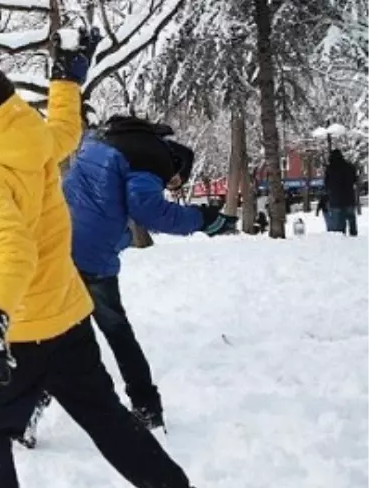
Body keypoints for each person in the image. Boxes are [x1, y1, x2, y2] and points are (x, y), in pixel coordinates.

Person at [0, 27, 239, 488]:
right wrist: (66, 78)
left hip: (22, 328)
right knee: (113, 425)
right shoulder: (29, 139)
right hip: (70, 317)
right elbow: (64, 131)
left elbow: (9, 250)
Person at [21, 116, 234, 437]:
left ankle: (27, 409)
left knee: (58, 333)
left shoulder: (104, 139)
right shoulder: (153, 158)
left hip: (55, 242)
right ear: (175, 166)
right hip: (91, 255)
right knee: (117, 332)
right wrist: (202, 219)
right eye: (175, 182)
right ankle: (148, 408)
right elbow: (149, 211)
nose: (171, 186)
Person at [323, 149, 358, 236]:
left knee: (339, 221)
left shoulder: (330, 169)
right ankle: (353, 234)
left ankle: (342, 237)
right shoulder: (350, 166)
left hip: (336, 199)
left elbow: (326, 183)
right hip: (349, 197)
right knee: (351, 218)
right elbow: (355, 180)